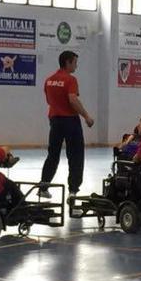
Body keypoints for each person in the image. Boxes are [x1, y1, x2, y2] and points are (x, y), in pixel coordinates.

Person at [39, 51, 94, 199]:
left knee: (53, 154)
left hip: (55, 121)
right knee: (76, 155)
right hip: (70, 121)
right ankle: (73, 191)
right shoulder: (70, 80)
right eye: (75, 62)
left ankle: (43, 187)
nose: (76, 65)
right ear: (68, 62)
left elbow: (49, 101)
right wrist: (86, 116)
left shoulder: (49, 80)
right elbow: (73, 99)